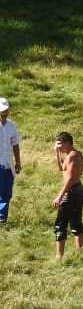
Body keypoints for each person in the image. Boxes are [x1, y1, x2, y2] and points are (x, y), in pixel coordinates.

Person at [51, 131, 83, 259]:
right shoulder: (74, 155)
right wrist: (57, 153)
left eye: (60, 144)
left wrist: (60, 196)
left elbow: (70, 179)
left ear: (68, 142)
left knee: (61, 223)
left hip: (72, 191)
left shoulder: (72, 156)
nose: (58, 147)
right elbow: (62, 168)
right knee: (76, 221)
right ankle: (80, 251)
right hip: (79, 191)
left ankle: (59, 256)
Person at [0, 97, 20, 227]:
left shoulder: (11, 125)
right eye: (2, 111)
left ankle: (2, 218)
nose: (4, 113)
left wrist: (18, 162)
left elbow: (15, 145)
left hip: (8, 162)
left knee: (6, 191)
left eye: (6, 111)